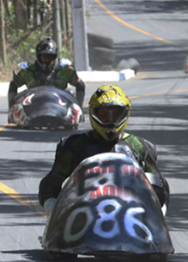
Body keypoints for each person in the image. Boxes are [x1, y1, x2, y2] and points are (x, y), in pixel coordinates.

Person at [38, 85, 169, 215]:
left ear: (125, 114)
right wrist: (52, 210)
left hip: (131, 217)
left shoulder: (141, 146)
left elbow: (159, 186)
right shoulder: (72, 145)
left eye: (115, 115)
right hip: (83, 217)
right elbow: (52, 184)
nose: (110, 120)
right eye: (104, 115)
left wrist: (158, 212)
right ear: (93, 114)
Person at [8, 36, 86, 109]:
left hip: (59, 108)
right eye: (44, 57)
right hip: (34, 109)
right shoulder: (28, 71)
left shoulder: (64, 69)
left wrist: (78, 106)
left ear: (55, 57)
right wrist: (12, 108)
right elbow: (13, 84)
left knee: (70, 93)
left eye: (50, 57)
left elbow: (80, 84)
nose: (47, 60)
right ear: (38, 57)